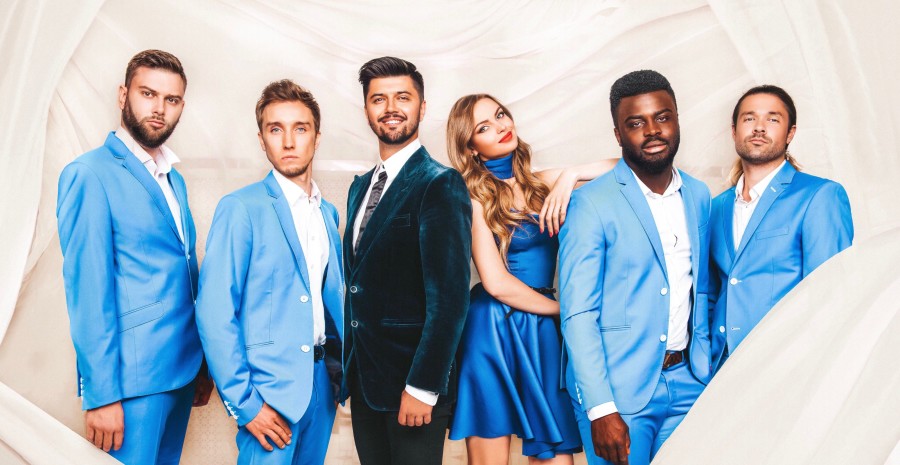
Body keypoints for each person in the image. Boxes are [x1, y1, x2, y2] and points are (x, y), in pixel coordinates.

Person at [56, 49, 213, 465]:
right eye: (148, 94)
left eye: (171, 99)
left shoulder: (173, 178)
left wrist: (201, 365)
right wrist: (101, 395)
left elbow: (184, 274)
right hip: (130, 384)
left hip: (182, 373)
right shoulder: (89, 174)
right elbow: (88, 293)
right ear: (123, 95)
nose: (159, 108)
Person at [445, 93, 616, 464]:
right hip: (492, 326)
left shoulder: (544, 183)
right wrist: (566, 312)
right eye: (484, 127)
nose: (501, 126)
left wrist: (571, 174)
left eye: (500, 115)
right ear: (471, 148)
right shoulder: (472, 196)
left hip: (541, 329)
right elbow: (496, 283)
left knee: (555, 452)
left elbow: (623, 167)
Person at [558, 70, 712, 465]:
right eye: (636, 123)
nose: (653, 130)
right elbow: (578, 313)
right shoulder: (591, 203)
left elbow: (701, 288)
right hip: (619, 393)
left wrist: (706, 371)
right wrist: (600, 408)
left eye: (662, 117)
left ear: (677, 120)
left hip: (691, 383)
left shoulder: (699, 195)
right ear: (618, 134)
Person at [194, 80, 343, 465]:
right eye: (276, 129)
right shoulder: (241, 208)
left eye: (300, 128)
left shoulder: (327, 214)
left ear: (317, 137)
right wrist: (245, 404)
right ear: (262, 140)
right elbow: (214, 313)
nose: (289, 141)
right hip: (268, 394)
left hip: (322, 387)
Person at [341, 56, 472, 465]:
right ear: (367, 109)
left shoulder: (440, 182)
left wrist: (423, 386)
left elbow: (450, 299)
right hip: (365, 383)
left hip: (412, 386)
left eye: (403, 97)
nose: (391, 107)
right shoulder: (360, 187)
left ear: (422, 106)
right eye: (378, 99)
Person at [709, 85, 854, 372]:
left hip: (786, 366)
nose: (759, 127)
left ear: (790, 133)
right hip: (721, 368)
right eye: (749, 118)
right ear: (734, 131)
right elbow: (712, 292)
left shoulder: (819, 195)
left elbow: (830, 295)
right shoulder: (716, 207)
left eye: (772, 119)